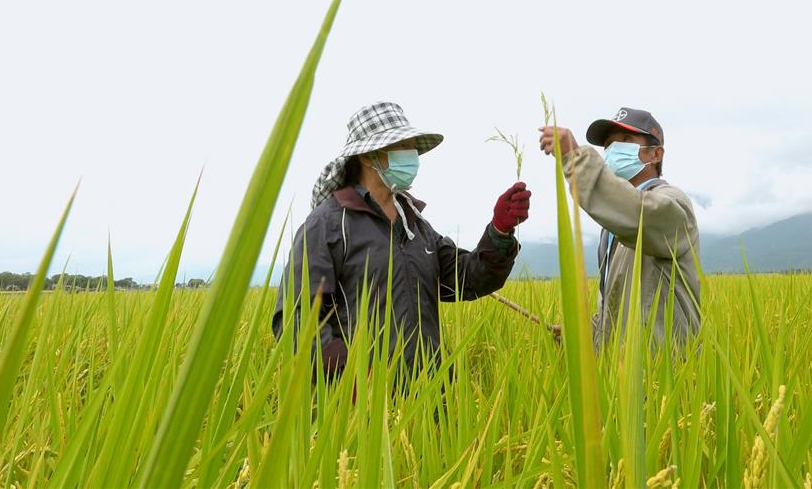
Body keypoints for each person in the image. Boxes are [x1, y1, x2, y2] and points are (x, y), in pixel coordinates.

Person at [274, 101, 531, 378]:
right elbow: (295, 319)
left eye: (412, 147)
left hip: (432, 392)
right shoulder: (328, 225)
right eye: (401, 146)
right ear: (367, 156)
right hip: (363, 404)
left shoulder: (416, 225)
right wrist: (350, 379)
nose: (411, 155)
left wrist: (499, 231)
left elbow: (467, 279)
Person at [538, 107, 701, 348]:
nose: (614, 149)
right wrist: (584, 334)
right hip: (625, 374)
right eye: (609, 144)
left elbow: (637, 211)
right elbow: (614, 309)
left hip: (666, 371)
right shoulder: (613, 227)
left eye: (625, 140)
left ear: (656, 154)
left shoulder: (673, 205)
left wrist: (576, 158)